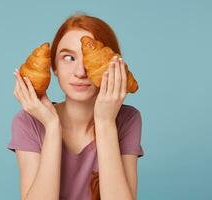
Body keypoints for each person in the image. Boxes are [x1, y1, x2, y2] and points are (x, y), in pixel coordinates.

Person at [8, 12, 145, 200]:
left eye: (88, 58)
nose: (80, 72)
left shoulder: (127, 119)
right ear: (54, 67)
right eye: (68, 57)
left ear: (112, 65)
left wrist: (105, 122)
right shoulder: (28, 122)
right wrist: (52, 126)